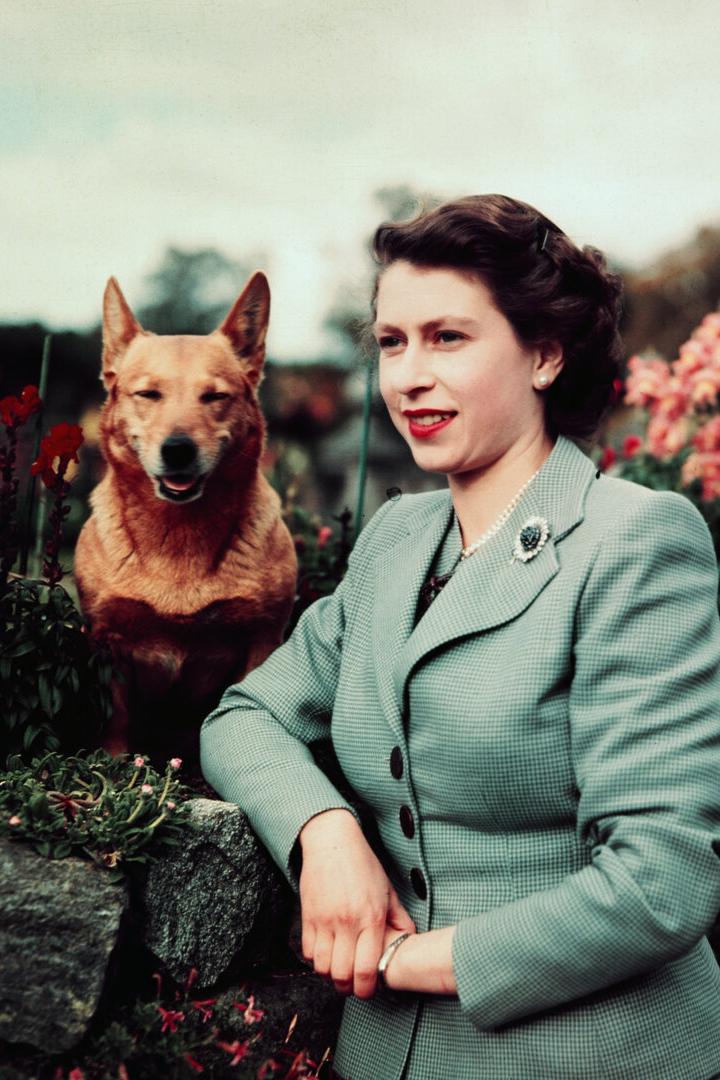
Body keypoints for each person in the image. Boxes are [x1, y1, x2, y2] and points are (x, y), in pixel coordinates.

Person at [200, 194, 720, 1080]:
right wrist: (325, 834)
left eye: (448, 338)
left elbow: (660, 885)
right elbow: (245, 716)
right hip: (382, 1059)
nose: (407, 376)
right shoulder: (397, 541)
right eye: (393, 342)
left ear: (546, 354)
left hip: (589, 1058)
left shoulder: (635, 541)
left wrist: (397, 961)